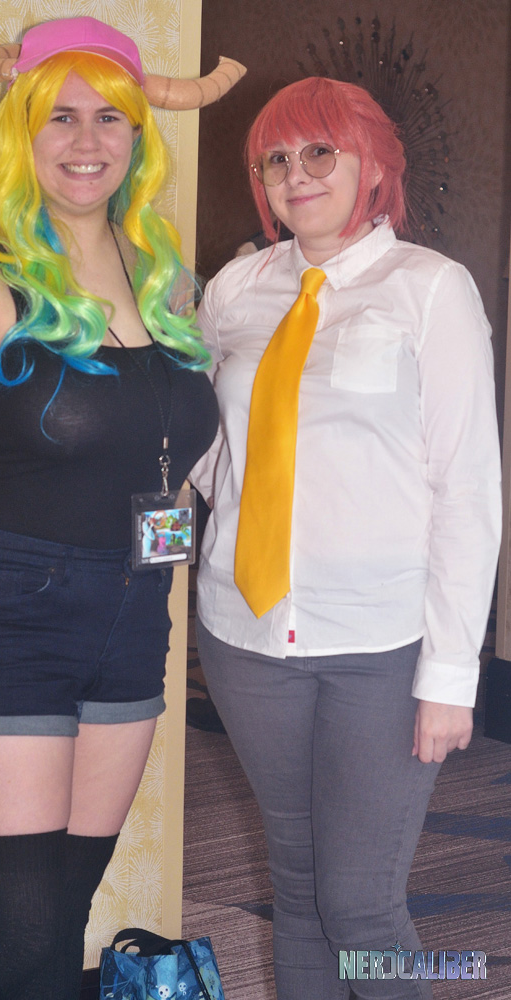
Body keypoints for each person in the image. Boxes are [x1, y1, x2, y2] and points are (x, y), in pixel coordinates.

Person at [0, 16, 243, 999]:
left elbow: (180, 448)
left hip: (133, 610)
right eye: (59, 117)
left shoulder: (162, 277)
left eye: (109, 117)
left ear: (137, 139)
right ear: (21, 134)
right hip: (1, 607)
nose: (86, 140)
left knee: (61, 917)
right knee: (17, 927)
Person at [189, 76, 501, 1000]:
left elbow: (467, 487)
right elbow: (207, 440)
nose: (297, 173)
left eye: (321, 150)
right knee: (297, 891)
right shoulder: (236, 290)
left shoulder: (430, 288)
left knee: (359, 903)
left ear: (373, 163)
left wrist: (451, 674)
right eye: (276, 159)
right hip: (245, 635)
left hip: (380, 646)